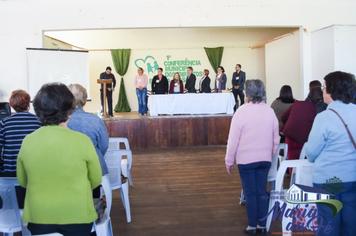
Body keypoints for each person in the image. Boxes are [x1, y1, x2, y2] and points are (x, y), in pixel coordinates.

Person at [17, 83, 102, 236]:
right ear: (70, 111)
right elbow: (96, 180)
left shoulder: (28, 141)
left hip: (39, 217)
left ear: (37, 111)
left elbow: (22, 181)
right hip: (78, 216)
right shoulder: (82, 141)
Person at [225, 80, 279, 235]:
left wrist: (229, 160)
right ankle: (262, 225)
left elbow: (233, 140)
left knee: (250, 193)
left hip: (246, 161)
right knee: (262, 192)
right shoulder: (269, 111)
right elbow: (276, 138)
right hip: (264, 160)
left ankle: (252, 226)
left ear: (247, 93)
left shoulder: (241, 112)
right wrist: (270, 153)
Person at [305, 71, 356, 236]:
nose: (323, 91)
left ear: (333, 91)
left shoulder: (324, 117)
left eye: (325, 87)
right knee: (351, 225)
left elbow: (311, 153)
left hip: (328, 181)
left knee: (328, 226)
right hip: (353, 178)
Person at [67, 84, 109, 176]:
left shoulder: (59, 121)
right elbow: (104, 146)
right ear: (85, 100)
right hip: (94, 169)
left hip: (67, 171)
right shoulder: (95, 120)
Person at [0, 90, 41, 176]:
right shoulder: (38, 121)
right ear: (28, 104)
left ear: (11, 104)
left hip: (10, 171)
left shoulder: (4, 122)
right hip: (32, 171)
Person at [281, 88, 322, 160]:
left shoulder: (297, 103)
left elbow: (283, 117)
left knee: (292, 160)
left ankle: (292, 171)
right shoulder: (318, 109)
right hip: (304, 138)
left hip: (290, 134)